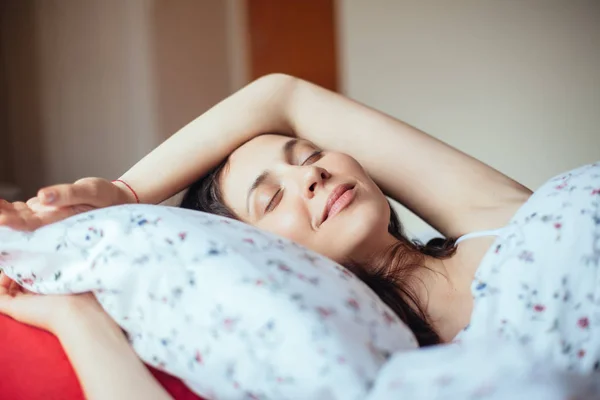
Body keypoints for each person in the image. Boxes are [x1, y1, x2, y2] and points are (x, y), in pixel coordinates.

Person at [3, 73, 595, 396]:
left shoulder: (493, 218)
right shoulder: (333, 367)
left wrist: (128, 192)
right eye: (272, 197)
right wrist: (77, 319)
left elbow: (280, 96)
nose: (310, 174)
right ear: (266, 259)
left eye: (308, 155)